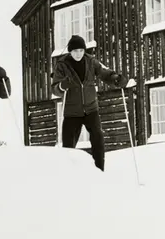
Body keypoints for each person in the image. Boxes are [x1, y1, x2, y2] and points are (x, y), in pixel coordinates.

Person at [51, 34, 129, 172]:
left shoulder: (91, 61)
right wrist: (62, 86)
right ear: (70, 51)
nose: (78, 54)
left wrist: (115, 78)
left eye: (81, 50)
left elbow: (103, 73)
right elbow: (55, 89)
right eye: (75, 51)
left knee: (98, 139)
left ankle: (99, 170)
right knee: (68, 147)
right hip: (71, 112)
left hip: (91, 109)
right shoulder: (62, 65)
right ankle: (67, 173)